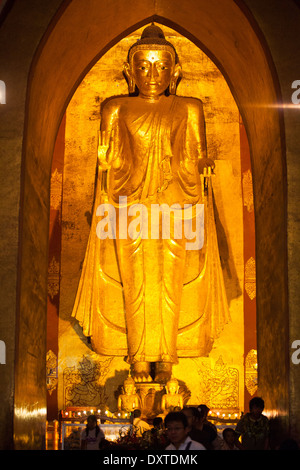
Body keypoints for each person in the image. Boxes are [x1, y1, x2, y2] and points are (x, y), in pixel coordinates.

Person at [72, 23, 229, 384]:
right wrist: (107, 162)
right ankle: (140, 359)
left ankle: (168, 360)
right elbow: (108, 160)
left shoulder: (189, 107)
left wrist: (201, 166)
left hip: (175, 206)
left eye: (161, 66)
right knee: (136, 284)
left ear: (176, 72)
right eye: (143, 66)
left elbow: (195, 154)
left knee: (170, 283)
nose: (152, 74)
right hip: (130, 207)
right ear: (130, 72)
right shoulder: (115, 108)